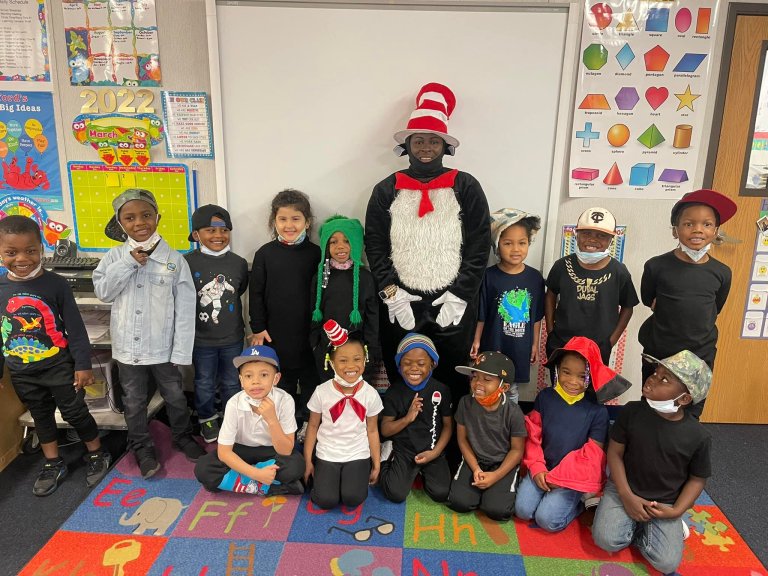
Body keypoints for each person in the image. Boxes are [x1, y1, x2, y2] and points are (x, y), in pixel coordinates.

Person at [365, 82, 491, 403]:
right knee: (403, 372)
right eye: (418, 140)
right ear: (407, 145)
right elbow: (376, 248)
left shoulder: (466, 186)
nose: (425, 147)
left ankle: (449, 445)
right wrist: (393, 296)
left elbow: (479, 245)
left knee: (452, 374)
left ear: (445, 146)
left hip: (452, 301)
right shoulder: (385, 189)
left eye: (433, 141)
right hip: (402, 302)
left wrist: (460, 295)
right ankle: (403, 436)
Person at [93, 188, 204, 479]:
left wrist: (181, 351)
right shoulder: (114, 257)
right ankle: (141, 445)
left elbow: (185, 308)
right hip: (129, 348)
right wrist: (129, 262)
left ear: (158, 217)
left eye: (146, 215)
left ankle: (181, 435)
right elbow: (104, 292)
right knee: (133, 400)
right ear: (120, 223)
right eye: (129, 218)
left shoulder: (174, 261)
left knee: (175, 395)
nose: (139, 222)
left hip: (163, 348)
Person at [0, 215, 111, 495]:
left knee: (75, 411)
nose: (22, 258)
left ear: (41, 249)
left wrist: (83, 365)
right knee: (40, 415)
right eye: (11, 252)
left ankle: (97, 454)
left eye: (31, 250)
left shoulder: (55, 284)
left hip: (58, 365)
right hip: (22, 369)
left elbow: (75, 329)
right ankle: (52, 462)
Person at [592, 350, 712, 575]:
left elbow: (697, 479)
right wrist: (627, 496)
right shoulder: (631, 412)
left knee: (666, 564)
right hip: (623, 489)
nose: (652, 379)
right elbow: (615, 454)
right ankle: (635, 521)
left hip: (665, 502)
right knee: (606, 540)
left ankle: (651, 525)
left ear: (684, 399)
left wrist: (677, 511)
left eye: (664, 379)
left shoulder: (698, 436)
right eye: (655, 373)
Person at [515, 336, 631, 532]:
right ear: (558, 370)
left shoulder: (597, 411)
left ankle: (579, 502)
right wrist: (537, 467)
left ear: (592, 376)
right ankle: (553, 493)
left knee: (547, 520)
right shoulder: (545, 397)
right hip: (543, 467)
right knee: (523, 511)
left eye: (581, 376)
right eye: (566, 372)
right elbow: (533, 435)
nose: (572, 381)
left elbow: (592, 454)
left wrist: (558, 478)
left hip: (572, 476)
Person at [638, 189, 736, 419]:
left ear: (716, 231)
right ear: (675, 230)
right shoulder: (656, 266)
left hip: (699, 352)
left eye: (707, 224)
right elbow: (648, 299)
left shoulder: (722, 272)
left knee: (691, 409)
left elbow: (716, 308)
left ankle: (683, 450)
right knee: (652, 403)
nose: (698, 230)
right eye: (689, 224)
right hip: (661, 349)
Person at [249, 189, 320, 426]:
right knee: (283, 380)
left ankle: (308, 423)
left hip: (309, 332)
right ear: (274, 221)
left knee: (311, 379)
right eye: (283, 219)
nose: (289, 225)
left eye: (296, 219)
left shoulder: (316, 253)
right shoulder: (265, 254)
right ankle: (284, 423)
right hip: (276, 332)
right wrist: (257, 327)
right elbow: (256, 293)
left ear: (307, 222)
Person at [194, 345, 305, 495]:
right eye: (248, 376)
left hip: (271, 451)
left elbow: (285, 450)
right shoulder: (234, 403)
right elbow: (224, 453)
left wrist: (272, 419)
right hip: (240, 450)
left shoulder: (285, 400)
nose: (255, 382)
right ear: (241, 380)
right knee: (203, 468)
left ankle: (238, 481)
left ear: (276, 378)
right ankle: (265, 486)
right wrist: (256, 473)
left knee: (296, 466)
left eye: (264, 375)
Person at [185, 204, 249, 443]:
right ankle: (206, 418)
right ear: (196, 235)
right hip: (201, 339)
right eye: (210, 230)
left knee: (233, 381)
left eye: (224, 230)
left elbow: (238, 290)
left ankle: (231, 417)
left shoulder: (238, 263)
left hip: (232, 337)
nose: (218, 236)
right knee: (204, 381)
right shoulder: (187, 263)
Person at [303, 320, 383, 509]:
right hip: (327, 452)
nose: (351, 366)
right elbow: (313, 426)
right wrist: (308, 461)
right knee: (325, 500)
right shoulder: (322, 391)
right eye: (343, 360)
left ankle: (347, 479)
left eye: (357, 359)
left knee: (353, 498)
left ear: (365, 359)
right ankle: (326, 480)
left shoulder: (370, 393)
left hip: (357, 452)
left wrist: (376, 463)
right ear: (331, 362)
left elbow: (372, 431)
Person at [545, 207, 639, 367]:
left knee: (593, 390)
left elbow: (628, 307)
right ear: (576, 234)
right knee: (561, 388)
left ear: (611, 239)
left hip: (599, 348)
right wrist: (550, 331)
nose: (592, 239)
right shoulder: (562, 266)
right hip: (562, 344)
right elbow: (550, 294)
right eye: (586, 233)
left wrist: (611, 341)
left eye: (601, 235)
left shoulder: (618, 271)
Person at [471, 208, 545, 402]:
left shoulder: (535, 278)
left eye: (522, 243)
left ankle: (510, 425)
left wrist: (535, 344)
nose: (516, 249)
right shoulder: (488, 276)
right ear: (497, 245)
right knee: (489, 382)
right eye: (508, 243)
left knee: (511, 388)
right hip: (493, 342)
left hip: (520, 344)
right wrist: (477, 341)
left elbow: (536, 316)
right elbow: (482, 314)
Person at [448, 351, 526, 521]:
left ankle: (496, 489)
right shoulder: (465, 403)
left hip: (502, 463)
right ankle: (480, 487)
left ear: (504, 387)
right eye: (475, 377)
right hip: (474, 460)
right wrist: (475, 468)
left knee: (496, 510)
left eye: (487, 379)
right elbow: (462, 439)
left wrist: (496, 476)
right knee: (459, 502)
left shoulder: (514, 413)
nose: (477, 384)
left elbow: (517, 450)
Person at [379, 333, 452, 503]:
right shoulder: (394, 392)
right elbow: (385, 429)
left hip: (431, 449)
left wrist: (435, 452)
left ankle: (422, 471)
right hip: (404, 450)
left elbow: (448, 426)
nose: (414, 369)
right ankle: (386, 458)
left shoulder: (442, 390)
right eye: (407, 363)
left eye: (421, 363)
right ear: (398, 365)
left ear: (432, 364)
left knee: (440, 493)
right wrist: (407, 418)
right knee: (395, 494)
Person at [310, 215, 380, 383]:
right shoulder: (320, 277)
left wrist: (371, 349)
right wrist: (315, 345)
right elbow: (313, 313)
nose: (340, 246)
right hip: (327, 351)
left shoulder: (365, 278)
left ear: (355, 243)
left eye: (347, 241)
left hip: (358, 352)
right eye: (333, 241)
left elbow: (373, 318)